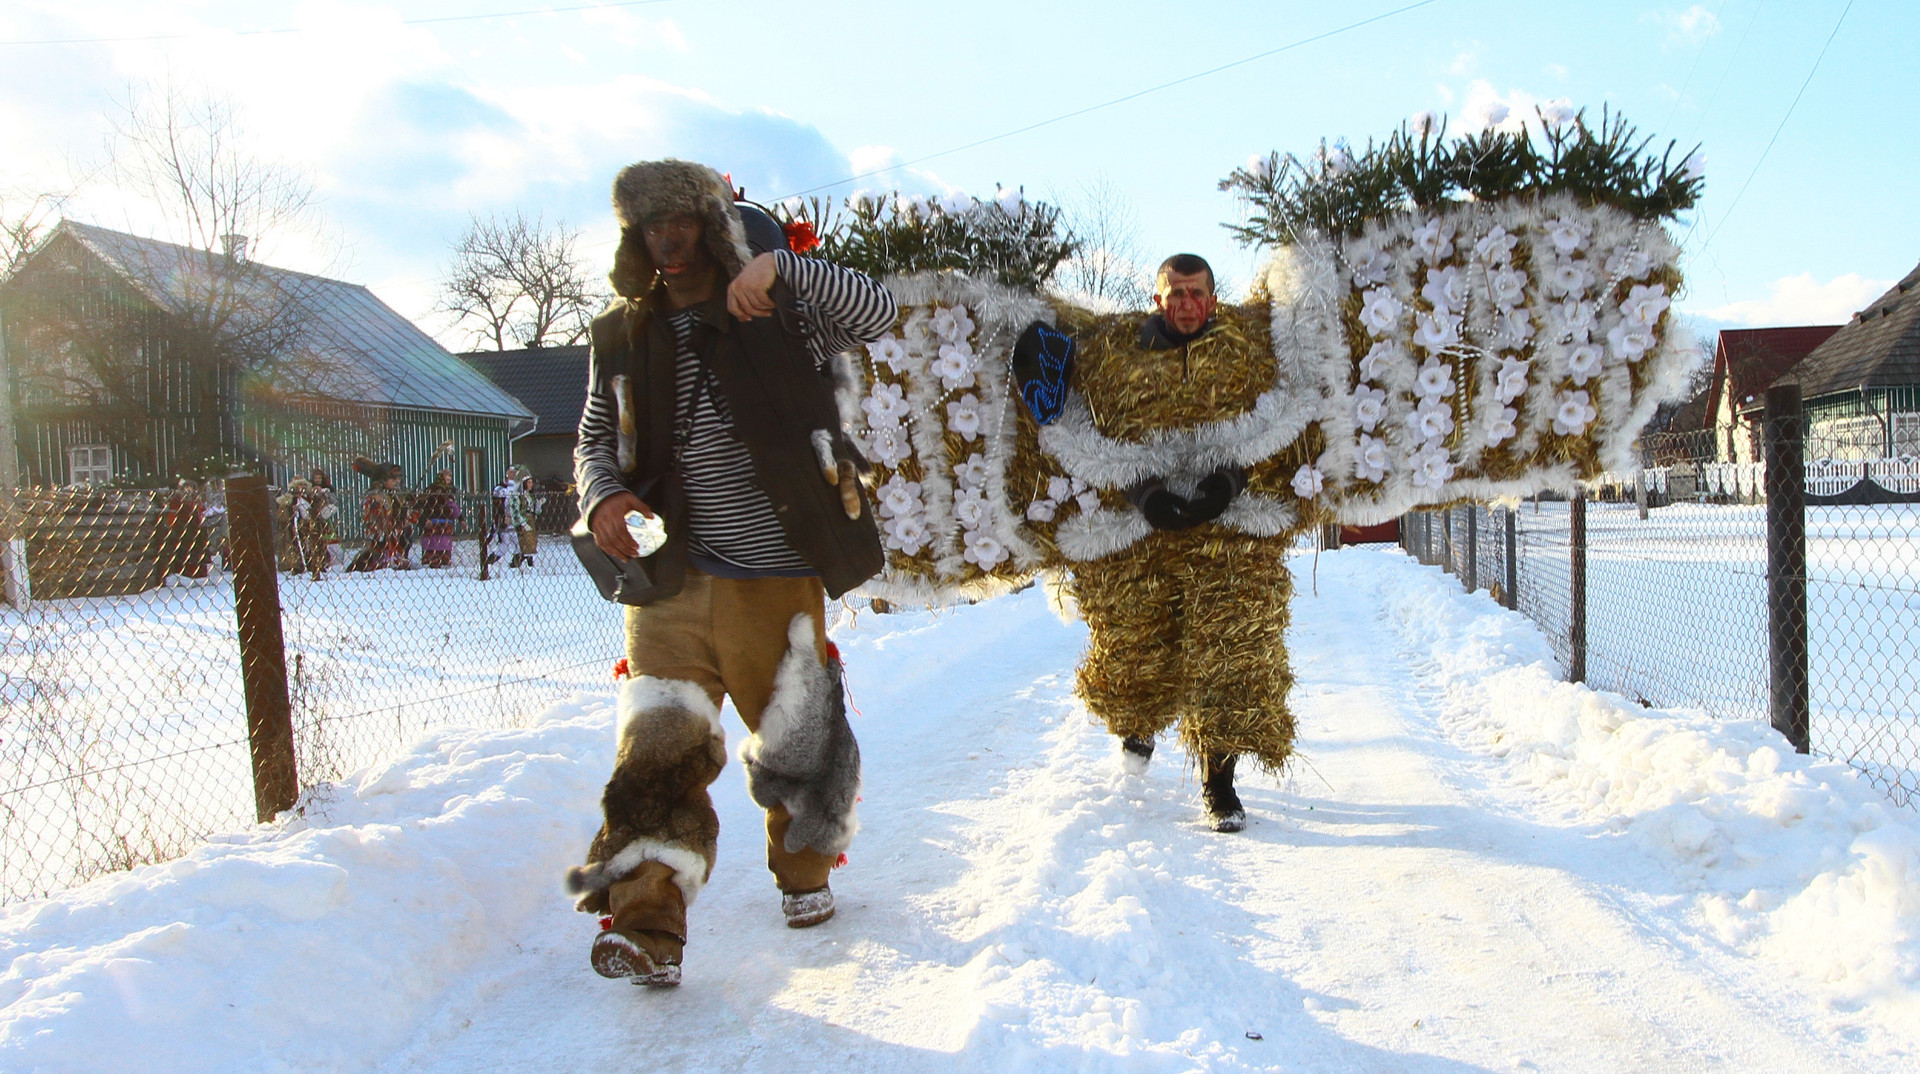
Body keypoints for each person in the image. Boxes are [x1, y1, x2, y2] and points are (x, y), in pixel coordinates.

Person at [563, 159, 896, 987]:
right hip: (666, 586)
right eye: (650, 229)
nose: (666, 244)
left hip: (774, 575)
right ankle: (647, 928)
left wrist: (783, 265)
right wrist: (602, 497)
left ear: (710, 228)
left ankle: (804, 870)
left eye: (680, 226)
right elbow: (591, 441)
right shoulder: (621, 333)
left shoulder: (781, 309)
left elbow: (881, 310)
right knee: (656, 754)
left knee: (796, 743)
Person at [1052, 254, 1316, 833]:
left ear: (1213, 300)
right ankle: (1139, 721)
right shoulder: (1117, 356)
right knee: (1139, 641)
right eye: (1176, 294)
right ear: (1158, 300)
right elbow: (1093, 430)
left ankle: (1219, 783)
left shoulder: (1246, 351)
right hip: (1141, 528)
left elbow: (1278, 424)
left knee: (1231, 651)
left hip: (1228, 527)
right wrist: (1142, 491)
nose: (1187, 304)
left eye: (1197, 294)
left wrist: (1230, 481)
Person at [416, 470, 462, 568]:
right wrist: (425, 518)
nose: (449, 478)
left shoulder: (449, 491)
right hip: (432, 522)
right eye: (447, 476)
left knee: (444, 544)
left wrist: (461, 518)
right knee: (432, 543)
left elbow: (453, 506)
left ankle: (444, 562)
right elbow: (426, 505)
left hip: (446, 523)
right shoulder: (432, 490)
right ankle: (431, 563)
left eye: (450, 476)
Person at [503, 465, 538, 568]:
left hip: (530, 520)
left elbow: (534, 509)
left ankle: (528, 564)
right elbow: (515, 510)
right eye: (529, 482)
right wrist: (522, 522)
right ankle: (517, 563)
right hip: (522, 521)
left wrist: (539, 505)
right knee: (523, 543)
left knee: (531, 543)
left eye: (531, 482)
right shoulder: (516, 495)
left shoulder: (530, 495)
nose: (531, 484)